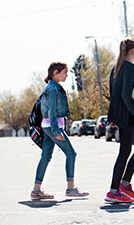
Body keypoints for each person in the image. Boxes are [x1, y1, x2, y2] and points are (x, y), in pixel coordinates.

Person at [31, 62, 89, 200]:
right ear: (55, 73)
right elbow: (51, 111)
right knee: (71, 154)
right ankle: (70, 188)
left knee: (46, 156)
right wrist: (57, 131)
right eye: (64, 72)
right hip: (52, 127)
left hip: (48, 126)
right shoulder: (52, 89)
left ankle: (36, 190)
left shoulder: (54, 87)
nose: (67, 75)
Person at [105, 37, 134, 203]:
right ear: (133, 51)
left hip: (119, 113)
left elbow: (113, 93)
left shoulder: (116, 68)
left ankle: (124, 184)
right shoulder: (129, 66)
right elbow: (125, 95)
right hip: (125, 114)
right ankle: (114, 190)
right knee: (125, 151)